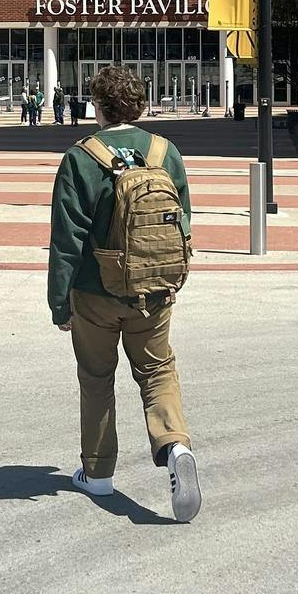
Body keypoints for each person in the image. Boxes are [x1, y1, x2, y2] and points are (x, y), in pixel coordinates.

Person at [47, 63, 201, 522]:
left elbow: (66, 239)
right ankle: (174, 446)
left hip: (96, 292)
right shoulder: (164, 151)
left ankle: (98, 474)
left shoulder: (81, 157)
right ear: (141, 104)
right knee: (157, 372)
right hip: (153, 290)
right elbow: (183, 221)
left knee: (97, 378)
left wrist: (59, 303)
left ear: (98, 106)